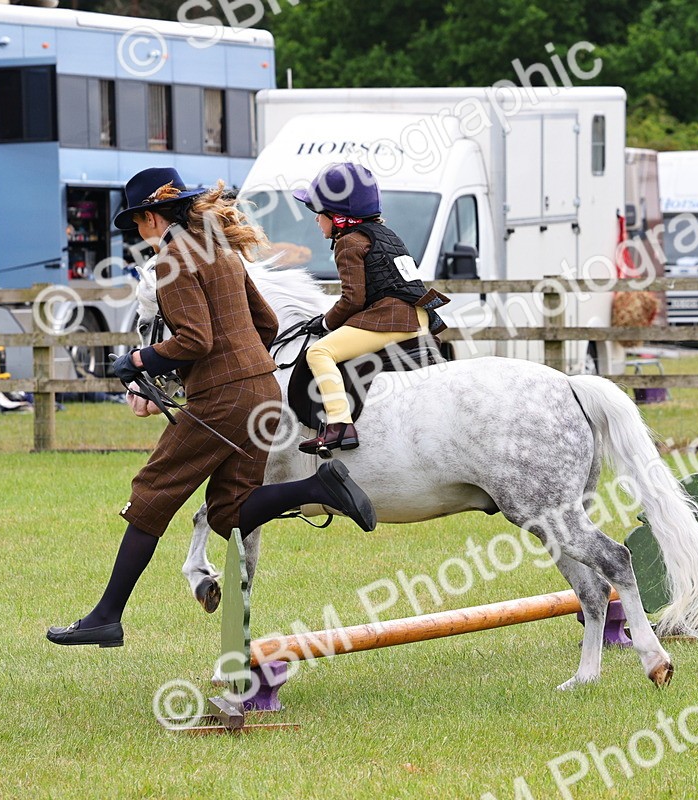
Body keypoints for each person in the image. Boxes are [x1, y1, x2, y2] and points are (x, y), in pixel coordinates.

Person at [47, 167, 377, 648]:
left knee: (150, 495)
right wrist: (238, 365)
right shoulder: (221, 251)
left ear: (153, 217)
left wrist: (138, 359)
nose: (139, 233)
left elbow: (194, 340)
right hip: (262, 390)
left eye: (137, 223)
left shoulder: (171, 262)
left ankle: (106, 617)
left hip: (223, 400)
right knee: (231, 511)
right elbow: (266, 323)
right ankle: (318, 486)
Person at [292, 162, 449, 454]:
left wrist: (325, 324)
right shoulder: (386, 234)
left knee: (319, 352)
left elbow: (352, 300)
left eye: (319, 213)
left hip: (392, 320)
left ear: (337, 217)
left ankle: (339, 425)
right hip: (421, 318)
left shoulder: (349, 243)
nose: (316, 220)